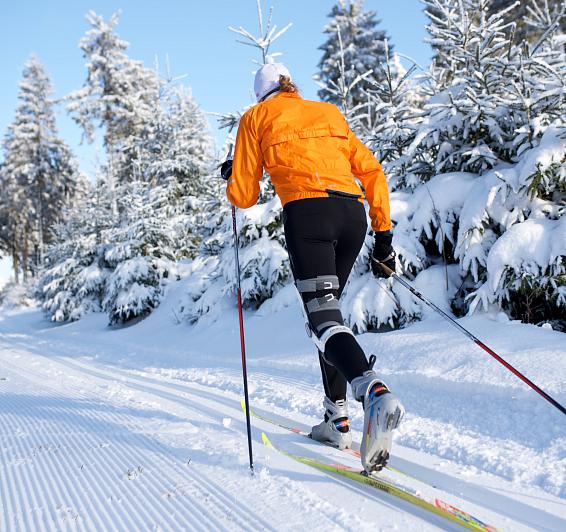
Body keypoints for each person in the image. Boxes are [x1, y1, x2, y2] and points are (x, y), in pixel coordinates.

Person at [221, 60, 405, 473]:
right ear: (291, 86)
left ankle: (372, 392)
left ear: (259, 95)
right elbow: (372, 171)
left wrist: (233, 176)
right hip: (352, 215)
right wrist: (384, 238)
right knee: (330, 318)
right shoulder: (328, 112)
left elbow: (245, 195)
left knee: (323, 320)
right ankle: (335, 419)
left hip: (309, 218)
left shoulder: (256, 118)